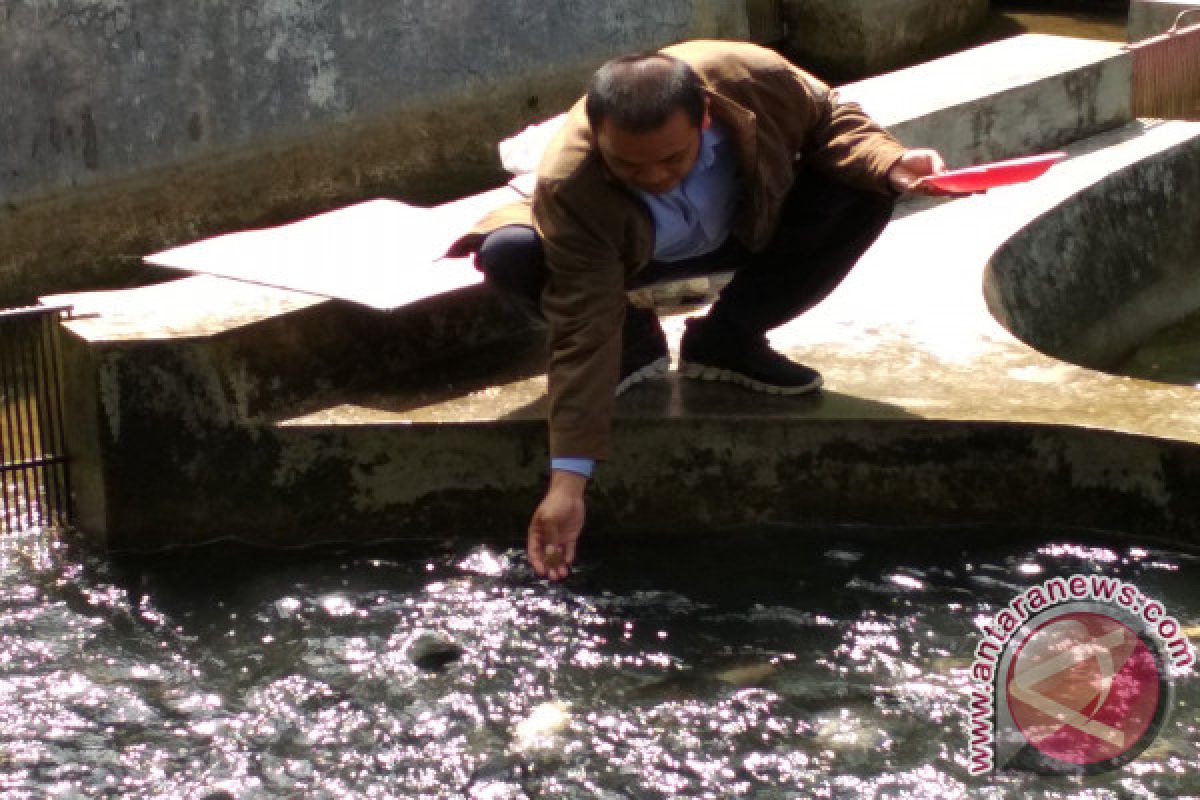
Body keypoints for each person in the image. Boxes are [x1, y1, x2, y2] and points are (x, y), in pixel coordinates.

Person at [448, 40, 955, 581]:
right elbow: (580, 328)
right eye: (628, 166)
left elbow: (829, 116)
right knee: (510, 251)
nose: (655, 177)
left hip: (743, 227)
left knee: (865, 186)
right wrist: (568, 484)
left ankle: (728, 340)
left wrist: (892, 162)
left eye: (673, 158)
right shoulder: (571, 181)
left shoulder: (753, 77)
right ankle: (635, 343)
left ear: (705, 117)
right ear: (598, 140)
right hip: (621, 258)